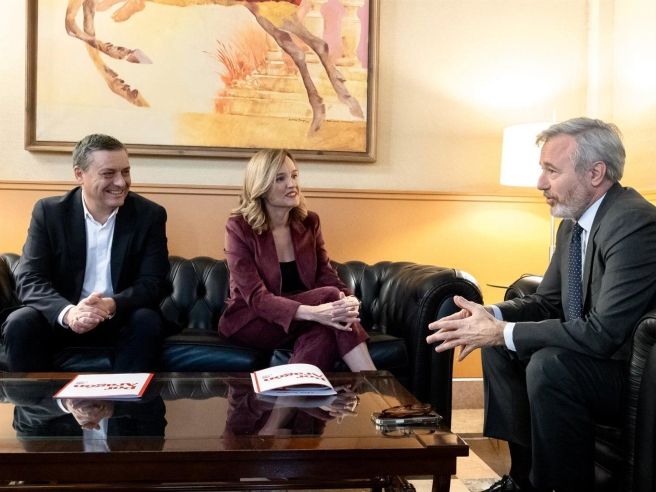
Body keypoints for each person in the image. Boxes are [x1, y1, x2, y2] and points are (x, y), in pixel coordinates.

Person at [426, 117, 656, 492]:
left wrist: (503, 331)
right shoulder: (574, 224)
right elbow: (546, 302)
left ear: (595, 173)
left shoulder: (633, 223)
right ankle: (522, 480)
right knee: (499, 348)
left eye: (552, 170)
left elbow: (604, 334)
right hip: (595, 361)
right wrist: (491, 317)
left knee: (549, 365)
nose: (540, 183)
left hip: (633, 377)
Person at [1, 133, 170, 372]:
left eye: (125, 172)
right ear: (79, 174)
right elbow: (30, 279)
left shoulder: (149, 215)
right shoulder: (49, 213)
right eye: (108, 173)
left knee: (147, 320)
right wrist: (70, 313)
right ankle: (38, 398)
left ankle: (126, 397)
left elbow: (154, 283)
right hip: (62, 318)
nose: (121, 182)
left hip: (120, 318)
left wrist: (110, 305)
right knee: (20, 322)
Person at [218, 149, 376, 372]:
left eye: (294, 175)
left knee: (327, 324)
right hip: (252, 319)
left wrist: (349, 301)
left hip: (301, 319)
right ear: (261, 186)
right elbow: (256, 297)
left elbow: (325, 274)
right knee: (330, 304)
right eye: (280, 179)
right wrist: (315, 312)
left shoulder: (309, 222)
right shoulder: (239, 227)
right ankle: (371, 380)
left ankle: (292, 393)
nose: (292, 184)